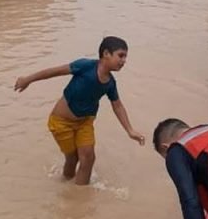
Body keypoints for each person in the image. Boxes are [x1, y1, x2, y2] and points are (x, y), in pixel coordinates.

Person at [14, 36, 145, 184]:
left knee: (89, 158)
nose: (123, 61)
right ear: (106, 53)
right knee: (73, 158)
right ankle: (65, 185)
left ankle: (80, 196)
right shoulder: (85, 66)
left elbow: (117, 105)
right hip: (61, 122)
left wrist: (130, 130)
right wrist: (28, 79)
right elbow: (54, 72)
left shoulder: (110, 83)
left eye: (125, 57)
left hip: (85, 123)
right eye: (121, 55)